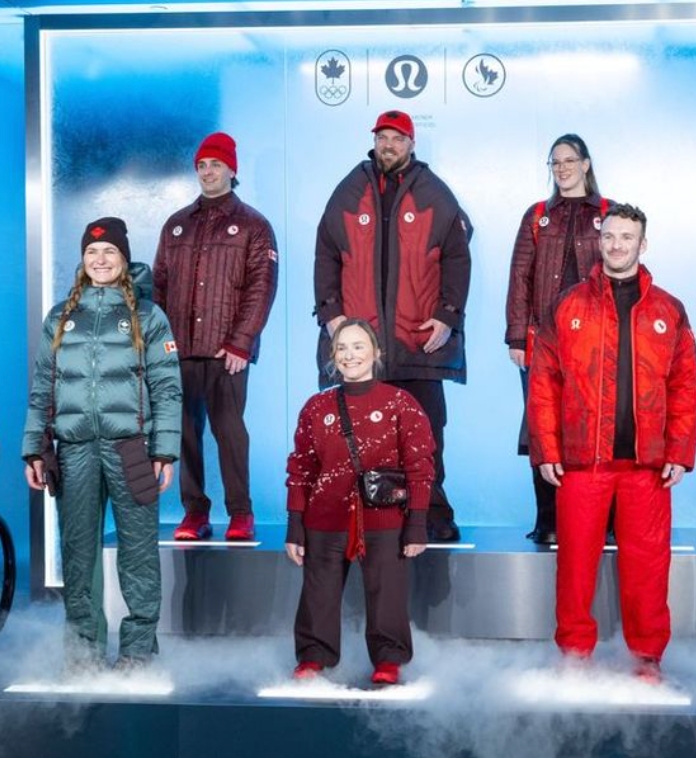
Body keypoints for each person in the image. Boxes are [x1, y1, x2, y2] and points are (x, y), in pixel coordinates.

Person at [527, 204, 696, 682]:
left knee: (648, 569)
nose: (617, 245)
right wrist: (547, 449)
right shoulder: (567, 305)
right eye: (610, 237)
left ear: (643, 244)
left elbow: (686, 385)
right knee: (575, 567)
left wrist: (680, 452)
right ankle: (574, 657)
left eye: (627, 237)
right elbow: (543, 383)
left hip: (648, 466)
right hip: (583, 462)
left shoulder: (668, 309)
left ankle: (646, 660)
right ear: (599, 241)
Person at [22, 217, 182, 672]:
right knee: (78, 555)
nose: (100, 259)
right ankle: (83, 654)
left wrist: (164, 450)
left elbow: (167, 388)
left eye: (110, 251)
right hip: (73, 450)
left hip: (132, 449)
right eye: (92, 252)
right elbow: (43, 387)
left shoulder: (148, 316)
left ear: (124, 259)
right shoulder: (61, 317)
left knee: (138, 553)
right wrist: (35, 448)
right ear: (82, 259)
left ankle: (137, 652)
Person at [314, 110, 471, 542]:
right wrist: (331, 313)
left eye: (398, 138)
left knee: (426, 435)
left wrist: (448, 315)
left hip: (416, 341)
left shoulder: (435, 193)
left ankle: (432, 514)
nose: (389, 145)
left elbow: (458, 257)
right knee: (362, 437)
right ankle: (368, 516)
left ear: (412, 144)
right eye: (383, 137)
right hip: (364, 347)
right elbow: (326, 253)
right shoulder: (349, 190)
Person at [285, 318, 435, 685]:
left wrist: (417, 523)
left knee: (387, 593)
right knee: (318, 593)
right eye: (341, 348)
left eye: (358, 346)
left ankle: (389, 660)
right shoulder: (316, 406)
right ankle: (314, 656)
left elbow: (420, 465)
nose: (349, 355)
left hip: (384, 518)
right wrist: (295, 526)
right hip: (325, 516)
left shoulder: (401, 403)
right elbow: (301, 468)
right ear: (332, 356)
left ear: (376, 352)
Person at [154, 131, 278, 541]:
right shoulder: (176, 225)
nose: (208, 172)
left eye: (216, 165)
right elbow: (159, 286)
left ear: (231, 170)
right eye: (202, 165)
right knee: (185, 432)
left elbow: (261, 286)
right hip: (180, 350)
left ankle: (241, 512)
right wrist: (159, 344)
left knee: (229, 431)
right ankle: (195, 513)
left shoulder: (254, 225)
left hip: (228, 352)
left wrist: (241, 341)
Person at [505, 133, 613, 544]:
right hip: (543, 343)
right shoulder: (537, 217)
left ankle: (602, 521)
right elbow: (520, 277)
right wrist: (517, 337)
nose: (562, 167)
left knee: (599, 428)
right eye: (555, 161)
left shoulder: (608, 213)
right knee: (543, 429)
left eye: (569, 160)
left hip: (597, 342)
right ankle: (548, 521)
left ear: (586, 164)